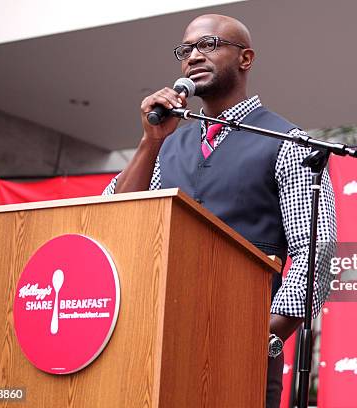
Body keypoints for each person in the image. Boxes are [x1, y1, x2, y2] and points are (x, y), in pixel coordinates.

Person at [103, 14, 336, 408]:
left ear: (245, 59)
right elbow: (115, 219)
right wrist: (149, 143)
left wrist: (265, 336)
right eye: (186, 50)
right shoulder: (166, 143)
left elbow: (315, 248)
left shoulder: (286, 142)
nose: (194, 56)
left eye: (208, 45)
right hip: (158, 346)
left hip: (245, 354)